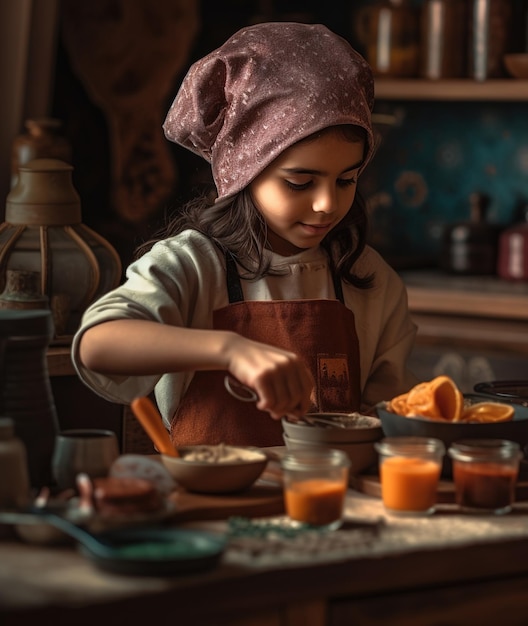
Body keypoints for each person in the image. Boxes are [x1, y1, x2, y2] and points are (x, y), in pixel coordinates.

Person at [71, 21, 418, 448]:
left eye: (346, 180)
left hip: (335, 503)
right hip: (212, 508)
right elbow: (96, 344)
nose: (327, 203)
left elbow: (392, 417)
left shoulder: (368, 277)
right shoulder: (191, 265)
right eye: (300, 182)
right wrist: (230, 349)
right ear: (244, 174)